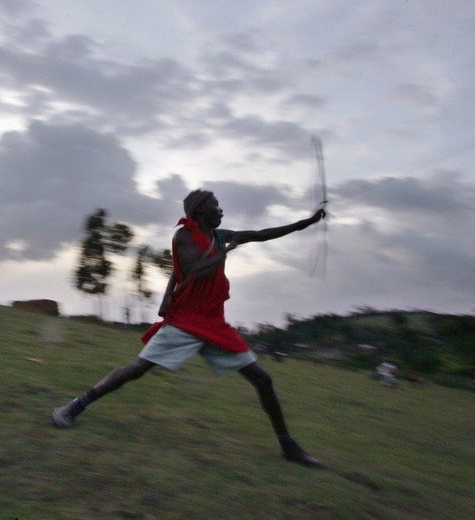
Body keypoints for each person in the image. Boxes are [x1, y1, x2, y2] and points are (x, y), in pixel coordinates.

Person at [53, 189, 327, 467]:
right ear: (198, 211)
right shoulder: (183, 236)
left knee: (263, 379)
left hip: (213, 322)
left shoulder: (219, 236)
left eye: (220, 206)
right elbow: (197, 269)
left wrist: (305, 223)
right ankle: (74, 406)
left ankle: (288, 445)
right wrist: (226, 253)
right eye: (215, 206)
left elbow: (260, 234)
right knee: (137, 369)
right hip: (186, 321)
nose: (221, 210)